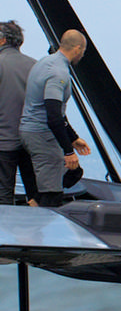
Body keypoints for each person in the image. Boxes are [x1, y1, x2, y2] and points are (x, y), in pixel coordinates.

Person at [19, 29, 92, 207]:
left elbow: (56, 113)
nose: (82, 54)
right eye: (83, 51)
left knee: (65, 177)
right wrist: (68, 152)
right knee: (52, 194)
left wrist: (73, 138)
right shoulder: (58, 73)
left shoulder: (44, 63)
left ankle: (32, 209)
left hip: (29, 132)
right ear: (77, 48)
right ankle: (39, 229)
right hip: (42, 135)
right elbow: (53, 114)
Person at [0, 21, 38, 205]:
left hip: (3, 140)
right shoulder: (35, 66)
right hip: (31, 140)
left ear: (2, 40)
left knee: (3, 194)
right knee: (35, 193)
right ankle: (36, 232)